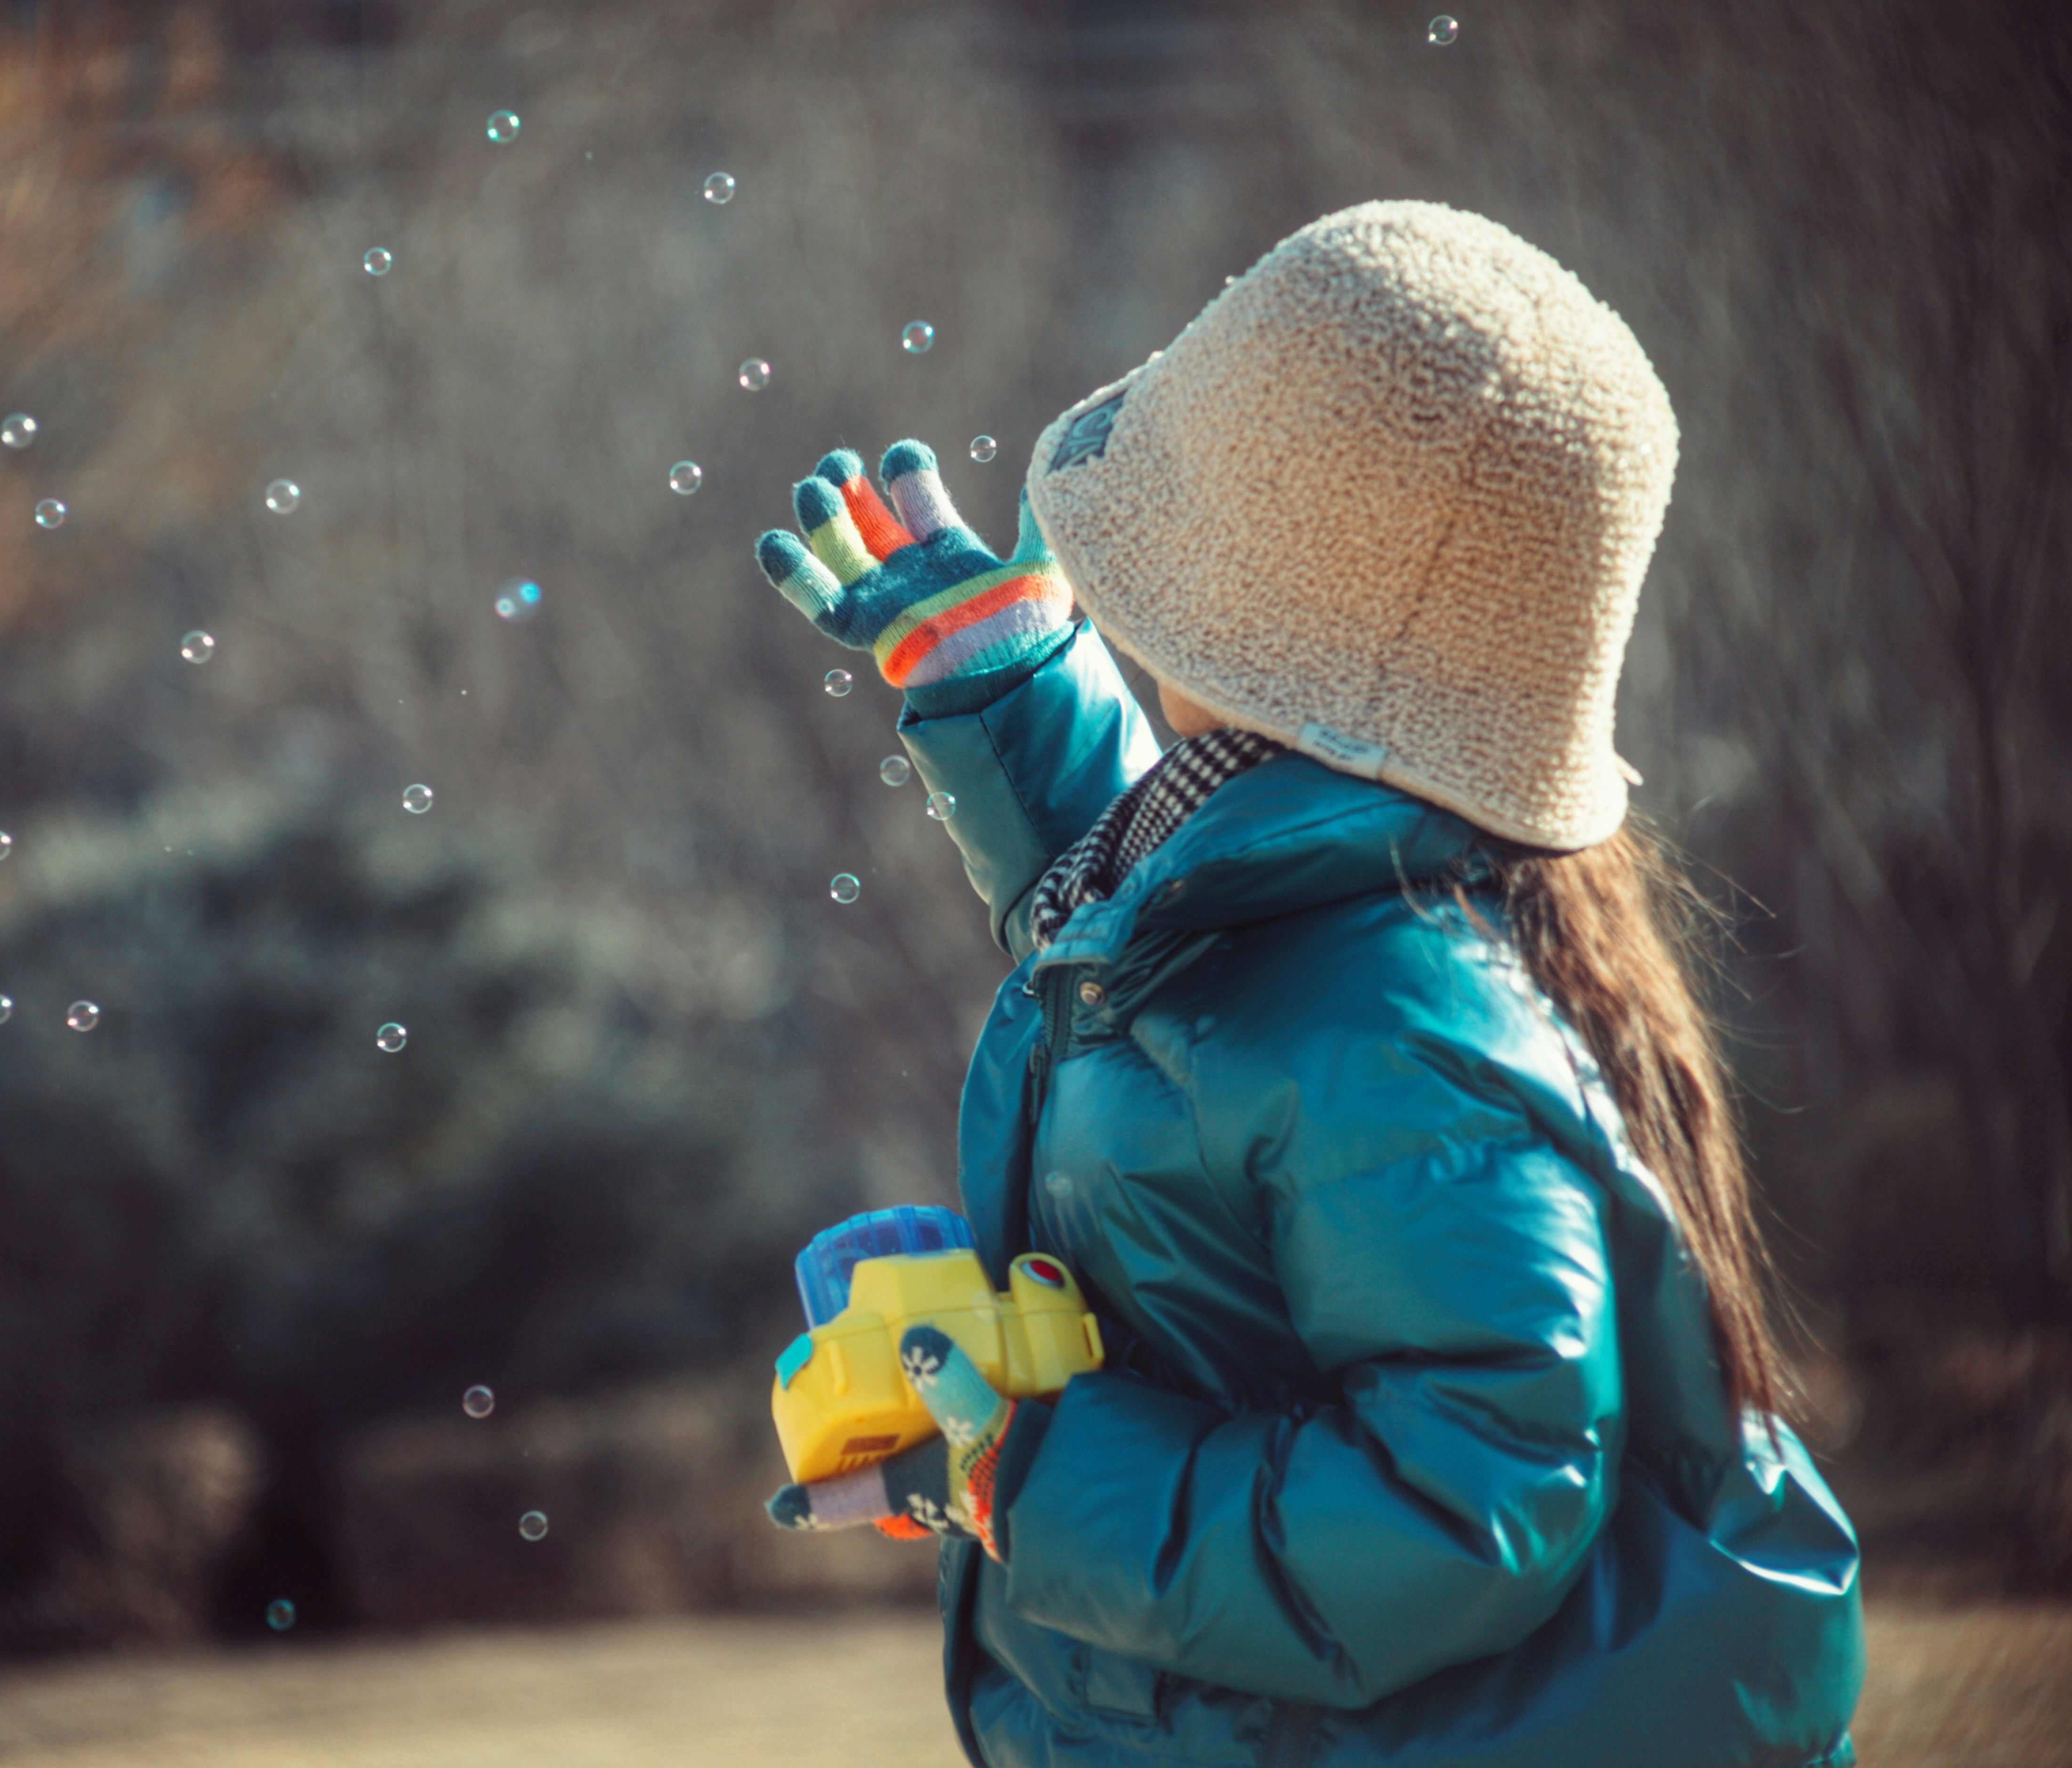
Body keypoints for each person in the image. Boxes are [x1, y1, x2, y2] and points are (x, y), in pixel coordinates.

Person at [751, 201, 1865, 1768]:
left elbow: (1466, 1505)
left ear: (1235, 619)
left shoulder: (1403, 1030)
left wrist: (1029, 1465)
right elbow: (1180, 964)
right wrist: (1007, 695)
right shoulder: (1335, 927)